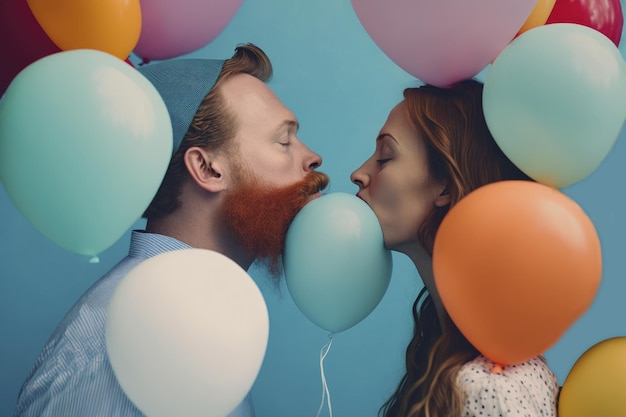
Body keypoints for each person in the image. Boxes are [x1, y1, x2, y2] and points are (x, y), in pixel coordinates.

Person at [14, 43, 329, 417]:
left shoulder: (202, 318)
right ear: (208, 169)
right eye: (284, 141)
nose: (312, 157)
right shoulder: (119, 351)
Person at [350, 79, 559, 417]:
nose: (358, 174)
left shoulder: (488, 389)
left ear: (445, 185)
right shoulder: (449, 349)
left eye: (385, 157)